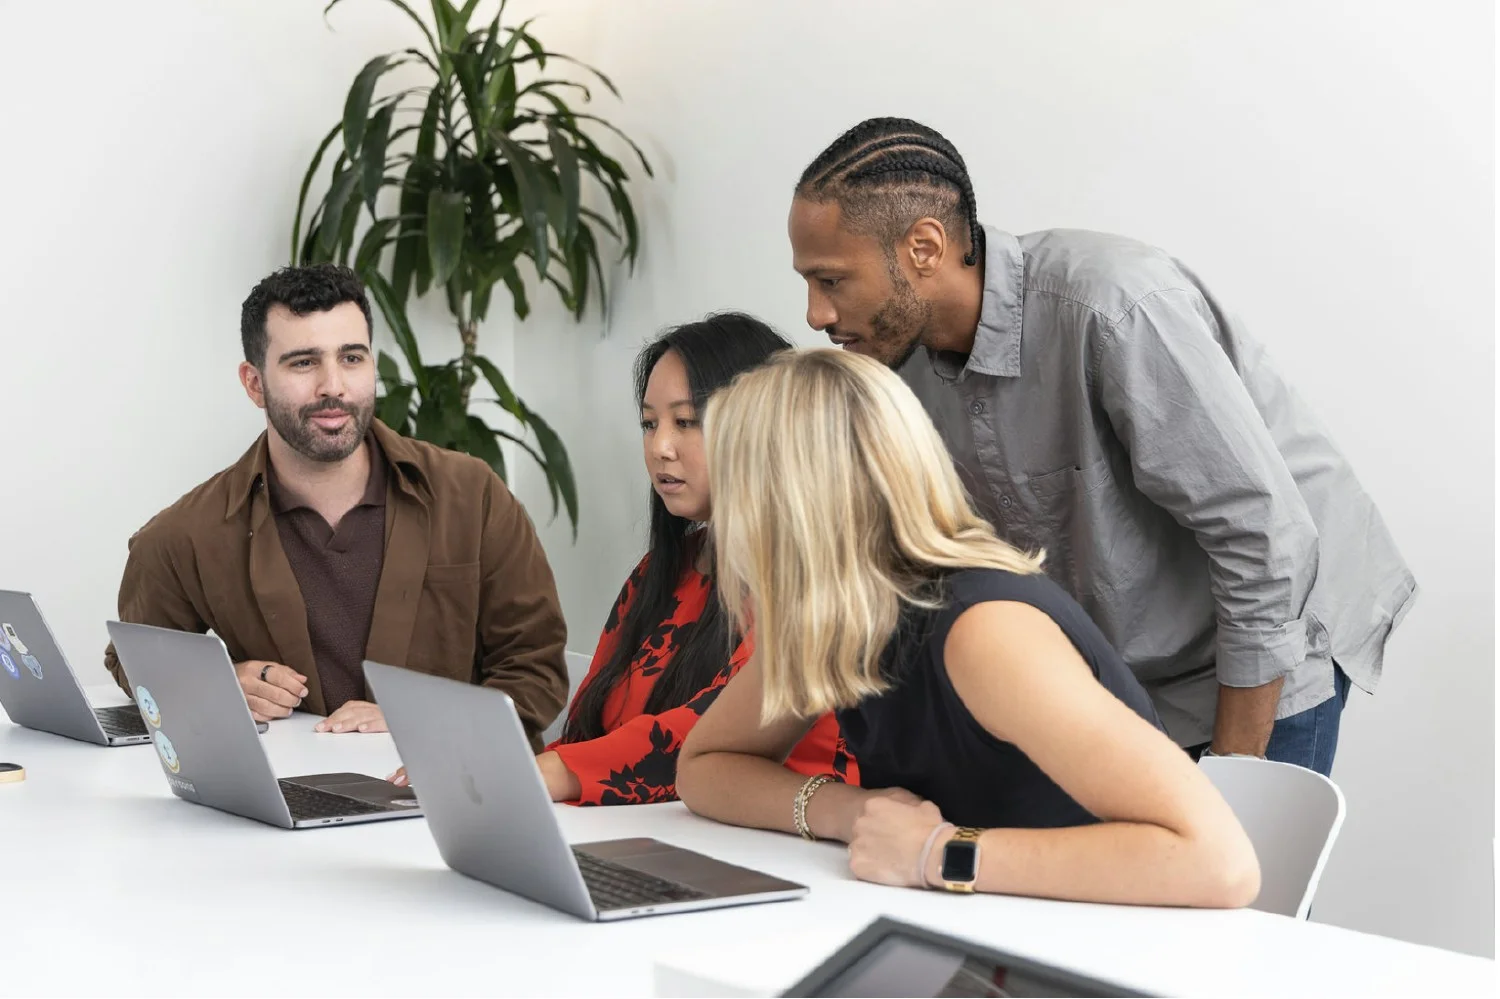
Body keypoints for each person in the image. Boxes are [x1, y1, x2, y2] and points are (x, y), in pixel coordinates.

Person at [784, 116, 1416, 775]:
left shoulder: (1113, 308)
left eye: (832, 280)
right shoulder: (896, 368)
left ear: (923, 246)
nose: (815, 314)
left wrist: (1231, 779)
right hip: (1130, 679)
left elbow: (1263, 541)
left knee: (1228, 869)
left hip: (1274, 643)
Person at [677, 349, 1258, 907]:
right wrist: (848, 812)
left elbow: (1220, 863)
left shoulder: (986, 633)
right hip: (993, 938)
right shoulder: (839, 616)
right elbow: (704, 768)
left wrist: (936, 854)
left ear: (784, 507)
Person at [392, 315, 856, 802]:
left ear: (760, 426)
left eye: (686, 422)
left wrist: (537, 773)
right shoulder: (662, 573)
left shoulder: (814, 584)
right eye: (649, 423)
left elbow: (708, 738)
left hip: (783, 854)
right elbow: (590, 727)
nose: (660, 448)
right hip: (649, 841)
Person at [103, 264, 569, 747]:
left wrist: (427, 719)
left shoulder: (473, 496)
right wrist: (217, 683)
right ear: (254, 382)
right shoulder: (189, 532)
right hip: (291, 799)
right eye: (303, 362)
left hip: (453, 796)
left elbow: (535, 668)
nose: (333, 386)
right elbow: (133, 659)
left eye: (351, 358)